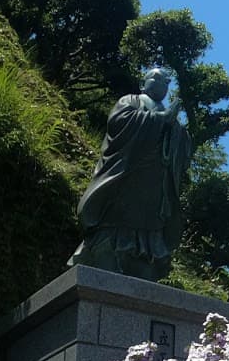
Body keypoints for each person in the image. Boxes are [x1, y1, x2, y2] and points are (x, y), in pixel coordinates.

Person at [68, 68, 191, 281]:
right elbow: (119, 123)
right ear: (143, 84)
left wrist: (178, 133)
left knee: (150, 230)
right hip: (128, 175)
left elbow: (182, 152)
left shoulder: (171, 117)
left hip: (154, 186)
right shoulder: (131, 101)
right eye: (156, 78)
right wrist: (161, 120)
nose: (161, 83)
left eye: (165, 82)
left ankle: (145, 262)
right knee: (116, 222)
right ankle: (102, 254)